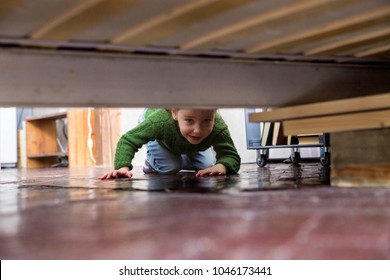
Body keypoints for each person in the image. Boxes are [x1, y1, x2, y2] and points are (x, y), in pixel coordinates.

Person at [99, 108, 240, 180]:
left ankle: (184, 150)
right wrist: (122, 168)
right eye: (189, 120)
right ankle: (151, 161)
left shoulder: (218, 127)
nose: (198, 130)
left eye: (207, 121)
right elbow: (128, 140)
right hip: (161, 132)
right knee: (171, 167)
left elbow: (230, 154)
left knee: (208, 167)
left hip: (183, 140)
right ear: (174, 113)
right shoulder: (160, 122)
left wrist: (223, 165)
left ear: (214, 115)